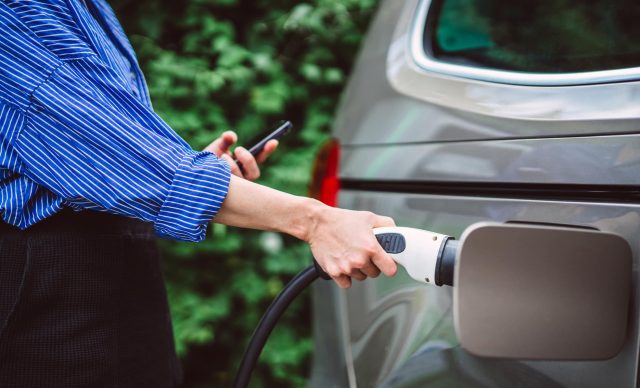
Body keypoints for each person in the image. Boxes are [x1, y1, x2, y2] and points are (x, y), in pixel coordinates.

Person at [0, 0, 397, 386]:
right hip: (47, 294)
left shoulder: (87, 6)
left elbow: (109, 159)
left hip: (110, 273)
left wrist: (202, 174)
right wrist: (316, 220)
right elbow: (107, 147)